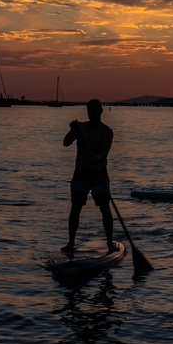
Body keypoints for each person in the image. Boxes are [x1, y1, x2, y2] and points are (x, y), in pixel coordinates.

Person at [61, 99, 114, 255]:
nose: (92, 114)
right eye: (89, 111)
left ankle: (110, 242)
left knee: (105, 209)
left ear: (100, 112)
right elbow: (66, 143)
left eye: (95, 111)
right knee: (75, 208)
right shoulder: (81, 128)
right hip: (81, 174)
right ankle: (71, 243)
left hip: (99, 175)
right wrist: (72, 130)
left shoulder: (107, 132)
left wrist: (96, 157)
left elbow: (103, 154)